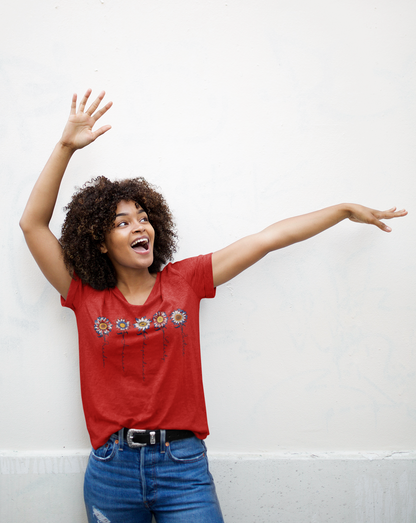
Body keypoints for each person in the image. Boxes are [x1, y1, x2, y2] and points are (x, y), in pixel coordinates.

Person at [20, 89, 407, 523]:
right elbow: (32, 224)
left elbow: (266, 239)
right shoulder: (85, 294)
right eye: (122, 222)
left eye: (143, 217)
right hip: (111, 470)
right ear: (99, 240)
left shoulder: (185, 281)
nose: (138, 226)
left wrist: (341, 210)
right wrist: (65, 147)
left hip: (183, 467)